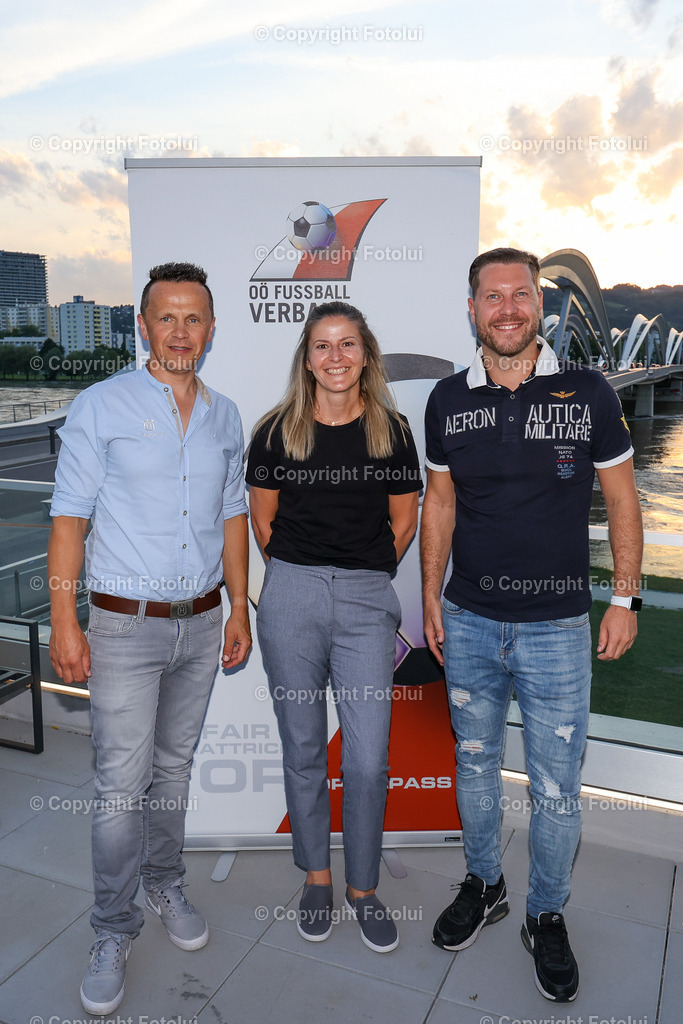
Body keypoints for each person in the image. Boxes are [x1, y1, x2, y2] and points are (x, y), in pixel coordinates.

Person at [420, 248, 643, 1002]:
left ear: (539, 308)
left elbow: (621, 499)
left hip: (555, 628)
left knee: (554, 788)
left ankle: (545, 913)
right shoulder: (448, 399)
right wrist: (428, 597)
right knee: (475, 763)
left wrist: (624, 598)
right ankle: (484, 885)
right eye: (492, 296)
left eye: (520, 294)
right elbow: (439, 504)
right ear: (473, 308)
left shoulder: (588, 392)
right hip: (470, 619)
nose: (507, 308)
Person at [48, 262, 251, 1015]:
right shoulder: (100, 407)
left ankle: (166, 884)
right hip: (123, 628)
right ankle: (111, 927)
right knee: (116, 789)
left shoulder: (226, 416)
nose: (179, 332)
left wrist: (239, 608)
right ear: (141, 326)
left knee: (173, 771)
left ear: (210, 328)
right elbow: (68, 521)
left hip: (200, 625)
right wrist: (66, 620)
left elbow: (233, 516)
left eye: (193, 318)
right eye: (165, 317)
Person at [246, 300, 421, 953]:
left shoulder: (392, 433)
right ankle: (316, 877)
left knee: (368, 760)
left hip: (364, 600)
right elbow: (263, 525)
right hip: (290, 594)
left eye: (347, 344)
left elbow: (402, 524)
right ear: (307, 358)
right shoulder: (274, 432)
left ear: (365, 354)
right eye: (322, 346)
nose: (335, 357)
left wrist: (362, 579)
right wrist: (299, 582)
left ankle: (362, 888)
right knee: (302, 749)